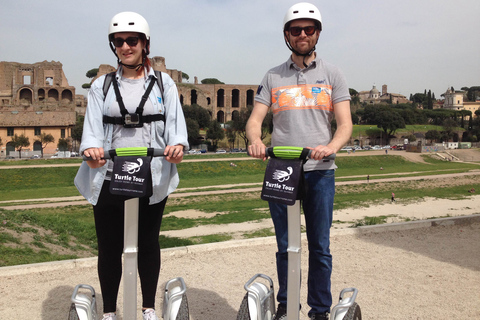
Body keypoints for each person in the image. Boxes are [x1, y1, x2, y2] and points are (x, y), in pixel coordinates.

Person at [74, 12, 188, 320]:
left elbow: (176, 128)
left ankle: (148, 307)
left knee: (148, 242)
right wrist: (91, 150)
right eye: (119, 41)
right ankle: (110, 311)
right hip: (110, 174)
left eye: (132, 40)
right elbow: (92, 131)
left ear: (145, 44)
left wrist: (177, 146)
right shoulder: (102, 86)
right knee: (109, 245)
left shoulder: (164, 84)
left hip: (151, 173)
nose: (126, 47)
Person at [246, 3, 352, 320]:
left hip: (320, 172)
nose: (302, 35)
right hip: (281, 169)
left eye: (308, 29)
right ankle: (287, 303)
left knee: (319, 246)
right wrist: (255, 141)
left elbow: (345, 124)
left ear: (317, 33)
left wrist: (330, 146)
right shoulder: (273, 76)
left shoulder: (333, 74)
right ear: (287, 36)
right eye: (296, 30)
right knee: (285, 245)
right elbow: (255, 119)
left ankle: (319, 310)